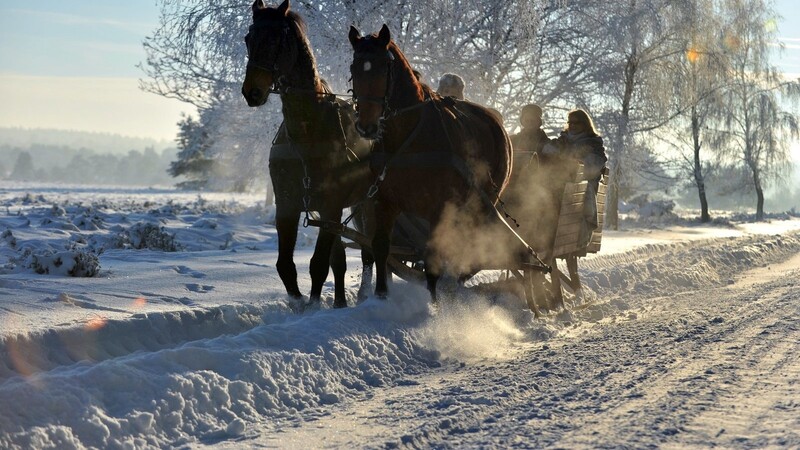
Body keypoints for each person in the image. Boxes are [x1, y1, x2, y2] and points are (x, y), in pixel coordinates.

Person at [541, 108, 608, 240]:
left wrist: (567, 161)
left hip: (579, 184)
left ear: (585, 124)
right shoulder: (562, 140)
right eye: (570, 122)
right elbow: (546, 150)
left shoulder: (592, 143)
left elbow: (592, 167)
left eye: (576, 123)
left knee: (573, 191)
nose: (572, 125)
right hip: (558, 182)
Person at [436, 73, 504, 124]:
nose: (450, 95)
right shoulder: (435, 110)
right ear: (441, 91)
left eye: (455, 94)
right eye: (446, 91)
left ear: (459, 93)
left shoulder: (469, 112)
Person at [509, 104, 550, 175]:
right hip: (514, 179)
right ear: (522, 121)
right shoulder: (512, 140)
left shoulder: (547, 143)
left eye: (532, 120)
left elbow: (548, 166)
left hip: (537, 180)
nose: (529, 123)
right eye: (527, 120)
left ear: (539, 122)